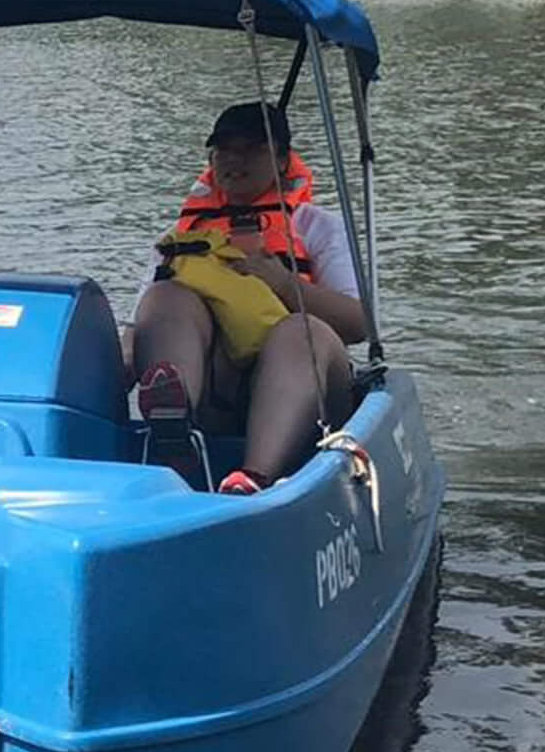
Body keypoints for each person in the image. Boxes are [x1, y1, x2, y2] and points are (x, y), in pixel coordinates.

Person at [131, 99, 368, 493]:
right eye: (224, 149)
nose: (234, 160)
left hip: (307, 387)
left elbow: (361, 324)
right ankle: (173, 431)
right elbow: (138, 323)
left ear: (281, 160)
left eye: (251, 149)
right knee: (165, 296)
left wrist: (282, 282)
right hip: (214, 385)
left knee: (300, 329)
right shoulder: (182, 235)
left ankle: (255, 476)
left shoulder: (318, 227)